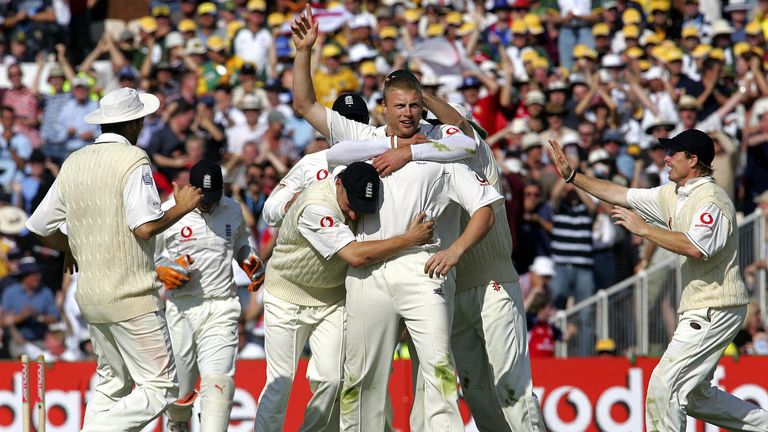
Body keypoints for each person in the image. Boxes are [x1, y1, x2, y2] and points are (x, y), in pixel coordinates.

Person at [291, 7, 495, 430]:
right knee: (361, 381)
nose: (408, 114)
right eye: (400, 106)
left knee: (439, 374)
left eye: (416, 107)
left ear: (424, 109)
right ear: (383, 107)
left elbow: (476, 170)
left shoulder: (442, 146)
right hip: (369, 274)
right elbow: (305, 104)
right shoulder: (362, 137)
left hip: (424, 269)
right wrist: (304, 52)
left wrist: (455, 250)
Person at [547, 129, 768, 431]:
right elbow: (619, 194)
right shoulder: (672, 193)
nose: (665, 158)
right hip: (702, 307)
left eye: (673, 153)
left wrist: (645, 230)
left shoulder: (711, 199)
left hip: (716, 307)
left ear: (692, 160)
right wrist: (574, 177)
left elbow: (694, 247)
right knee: (694, 398)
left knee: (663, 388)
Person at [25, 87, 203, 431]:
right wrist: (181, 207)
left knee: (112, 384)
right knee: (162, 387)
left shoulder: (74, 161)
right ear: (135, 122)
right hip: (130, 295)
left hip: (90, 296)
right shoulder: (133, 159)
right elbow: (146, 227)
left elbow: (39, 226)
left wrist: (73, 248)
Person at [253, 162, 435, 432]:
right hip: (285, 298)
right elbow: (355, 256)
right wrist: (409, 238)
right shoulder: (316, 206)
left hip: (332, 300)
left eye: (362, 206)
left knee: (332, 379)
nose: (353, 213)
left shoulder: (358, 194)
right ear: (338, 183)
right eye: (351, 203)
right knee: (280, 383)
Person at [155, 160, 264, 432]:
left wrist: (249, 260)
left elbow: (240, 243)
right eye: (202, 198)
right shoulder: (168, 212)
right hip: (181, 308)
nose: (207, 204)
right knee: (179, 390)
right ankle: (178, 424)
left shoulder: (231, 209)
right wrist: (162, 269)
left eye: (213, 198)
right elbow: (145, 257)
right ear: (191, 188)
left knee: (219, 384)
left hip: (221, 306)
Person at [261, 92, 370, 228]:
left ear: (368, 124)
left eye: (358, 121)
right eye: (344, 122)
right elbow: (269, 211)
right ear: (331, 126)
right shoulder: (311, 163)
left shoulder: (383, 161)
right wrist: (289, 206)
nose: (351, 128)